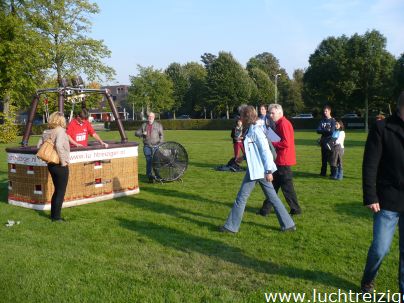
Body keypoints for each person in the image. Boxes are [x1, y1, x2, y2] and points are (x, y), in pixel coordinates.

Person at [219, 105, 296, 233]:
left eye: (241, 116)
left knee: (241, 198)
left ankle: (231, 227)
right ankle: (288, 225)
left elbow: (265, 151)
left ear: (246, 117)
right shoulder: (251, 129)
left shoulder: (256, 131)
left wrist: (268, 171)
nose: (240, 118)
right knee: (272, 198)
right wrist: (242, 158)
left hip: (259, 171)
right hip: (256, 170)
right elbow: (254, 151)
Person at [360, 91, 404, 294]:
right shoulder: (382, 128)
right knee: (380, 249)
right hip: (387, 199)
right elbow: (370, 165)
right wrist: (370, 195)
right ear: (399, 107)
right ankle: (368, 279)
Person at [257, 104, 302, 216]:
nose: (270, 115)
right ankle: (265, 210)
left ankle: (295, 209)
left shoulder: (284, 124)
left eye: (272, 113)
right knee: (273, 186)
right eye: (270, 113)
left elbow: (286, 143)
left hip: (283, 160)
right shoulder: (280, 123)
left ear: (280, 113)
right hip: (280, 160)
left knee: (285, 188)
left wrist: (273, 143)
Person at [37, 112, 70, 222]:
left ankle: (54, 215)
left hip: (50, 164)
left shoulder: (46, 131)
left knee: (57, 191)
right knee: (60, 191)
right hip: (59, 164)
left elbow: (39, 146)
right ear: (61, 120)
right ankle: (56, 217)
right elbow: (59, 146)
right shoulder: (60, 130)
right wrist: (64, 162)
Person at [135, 112, 164, 183]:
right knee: (149, 161)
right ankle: (149, 176)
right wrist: (142, 134)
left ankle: (158, 175)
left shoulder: (158, 125)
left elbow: (162, 135)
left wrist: (160, 144)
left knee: (156, 161)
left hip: (156, 146)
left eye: (151, 116)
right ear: (148, 118)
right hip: (147, 146)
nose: (150, 118)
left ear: (154, 117)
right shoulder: (144, 125)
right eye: (149, 117)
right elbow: (136, 133)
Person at [317, 105, 336, 176]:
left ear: (329, 111)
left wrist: (323, 131)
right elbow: (318, 130)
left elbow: (332, 131)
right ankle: (323, 173)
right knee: (323, 158)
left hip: (330, 142)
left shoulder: (332, 120)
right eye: (324, 111)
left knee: (331, 158)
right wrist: (326, 131)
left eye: (326, 111)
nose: (325, 112)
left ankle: (333, 173)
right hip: (323, 141)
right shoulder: (322, 120)